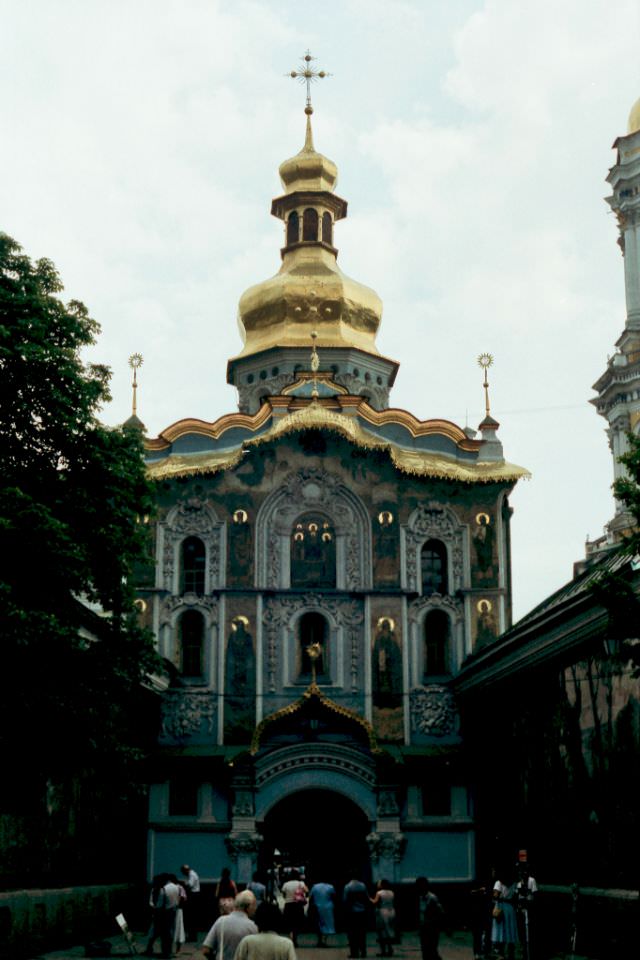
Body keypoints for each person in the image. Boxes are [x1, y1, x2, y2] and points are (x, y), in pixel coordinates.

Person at [202, 890, 258, 960]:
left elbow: (206, 950)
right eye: (254, 905)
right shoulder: (253, 927)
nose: (255, 909)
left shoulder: (221, 921)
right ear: (248, 906)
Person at [490, 869, 518, 960]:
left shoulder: (498, 883)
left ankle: (501, 953)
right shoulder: (514, 883)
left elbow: (496, 895)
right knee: (510, 930)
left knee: (500, 931)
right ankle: (511, 953)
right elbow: (515, 896)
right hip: (510, 908)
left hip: (500, 907)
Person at [343, 872, 370, 958]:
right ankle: (363, 951)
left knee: (352, 934)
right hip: (362, 911)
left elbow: (345, 899)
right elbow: (366, 897)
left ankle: (354, 953)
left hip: (352, 913)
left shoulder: (348, 886)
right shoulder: (363, 886)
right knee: (362, 933)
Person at [416, 876, 444, 960]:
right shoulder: (421, 897)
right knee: (425, 950)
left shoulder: (432, 898)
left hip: (432, 927)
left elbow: (440, 912)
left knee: (431, 950)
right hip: (424, 927)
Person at [281, 869, 308, 947]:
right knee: (297, 922)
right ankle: (295, 939)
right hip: (298, 905)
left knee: (289, 922)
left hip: (288, 905)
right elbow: (306, 891)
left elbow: (283, 894)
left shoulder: (286, 884)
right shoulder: (301, 883)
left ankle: (290, 938)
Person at [516, 866, 538, 960]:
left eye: (524, 872)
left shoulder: (532, 881)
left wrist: (528, 899)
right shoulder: (518, 883)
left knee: (531, 933)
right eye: (521, 872)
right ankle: (524, 952)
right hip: (522, 910)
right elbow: (518, 897)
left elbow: (535, 895)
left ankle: (532, 953)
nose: (523, 874)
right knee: (522, 933)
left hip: (530, 909)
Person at [370, 879, 395, 957]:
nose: (378, 884)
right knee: (389, 931)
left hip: (382, 912)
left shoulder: (379, 893)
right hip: (391, 911)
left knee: (382, 932)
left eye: (379, 883)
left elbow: (375, 902)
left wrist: (369, 898)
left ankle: (383, 951)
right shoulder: (391, 892)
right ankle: (390, 948)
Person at [308, 878, 336, 947]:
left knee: (319, 924)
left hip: (317, 907)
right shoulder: (330, 887)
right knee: (327, 925)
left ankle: (320, 940)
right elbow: (334, 897)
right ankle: (324, 940)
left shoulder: (315, 886)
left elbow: (310, 897)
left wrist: (310, 906)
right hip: (328, 908)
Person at [180, 864, 201, 941]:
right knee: (192, 917)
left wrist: (183, 883)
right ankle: (192, 935)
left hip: (193, 896)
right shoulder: (192, 874)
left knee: (192, 917)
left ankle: (192, 936)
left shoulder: (192, 875)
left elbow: (190, 885)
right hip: (194, 895)